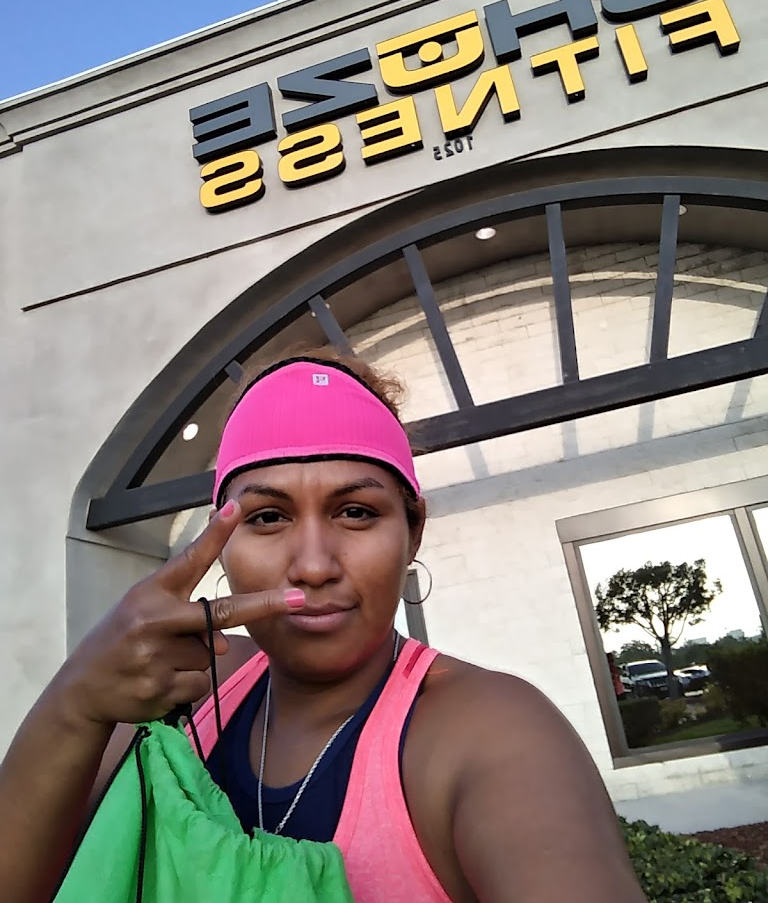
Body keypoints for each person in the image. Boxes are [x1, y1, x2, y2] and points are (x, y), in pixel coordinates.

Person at [0, 349, 647, 903]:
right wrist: (76, 703)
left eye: (356, 511)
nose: (313, 565)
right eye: (267, 518)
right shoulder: (183, 687)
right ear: (220, 541)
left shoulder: (492, 735)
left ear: (413, 531)